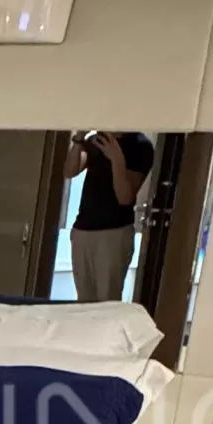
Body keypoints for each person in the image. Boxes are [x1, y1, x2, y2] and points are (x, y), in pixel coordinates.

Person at [64, 129, 154, 302]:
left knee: (108, 301)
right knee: (83, 301)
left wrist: (116, 158)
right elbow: (69, 172)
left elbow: (125, 197)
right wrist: (79, 139)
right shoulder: (96, 140)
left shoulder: (140, 145)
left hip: (114, 232)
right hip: (82, 229)